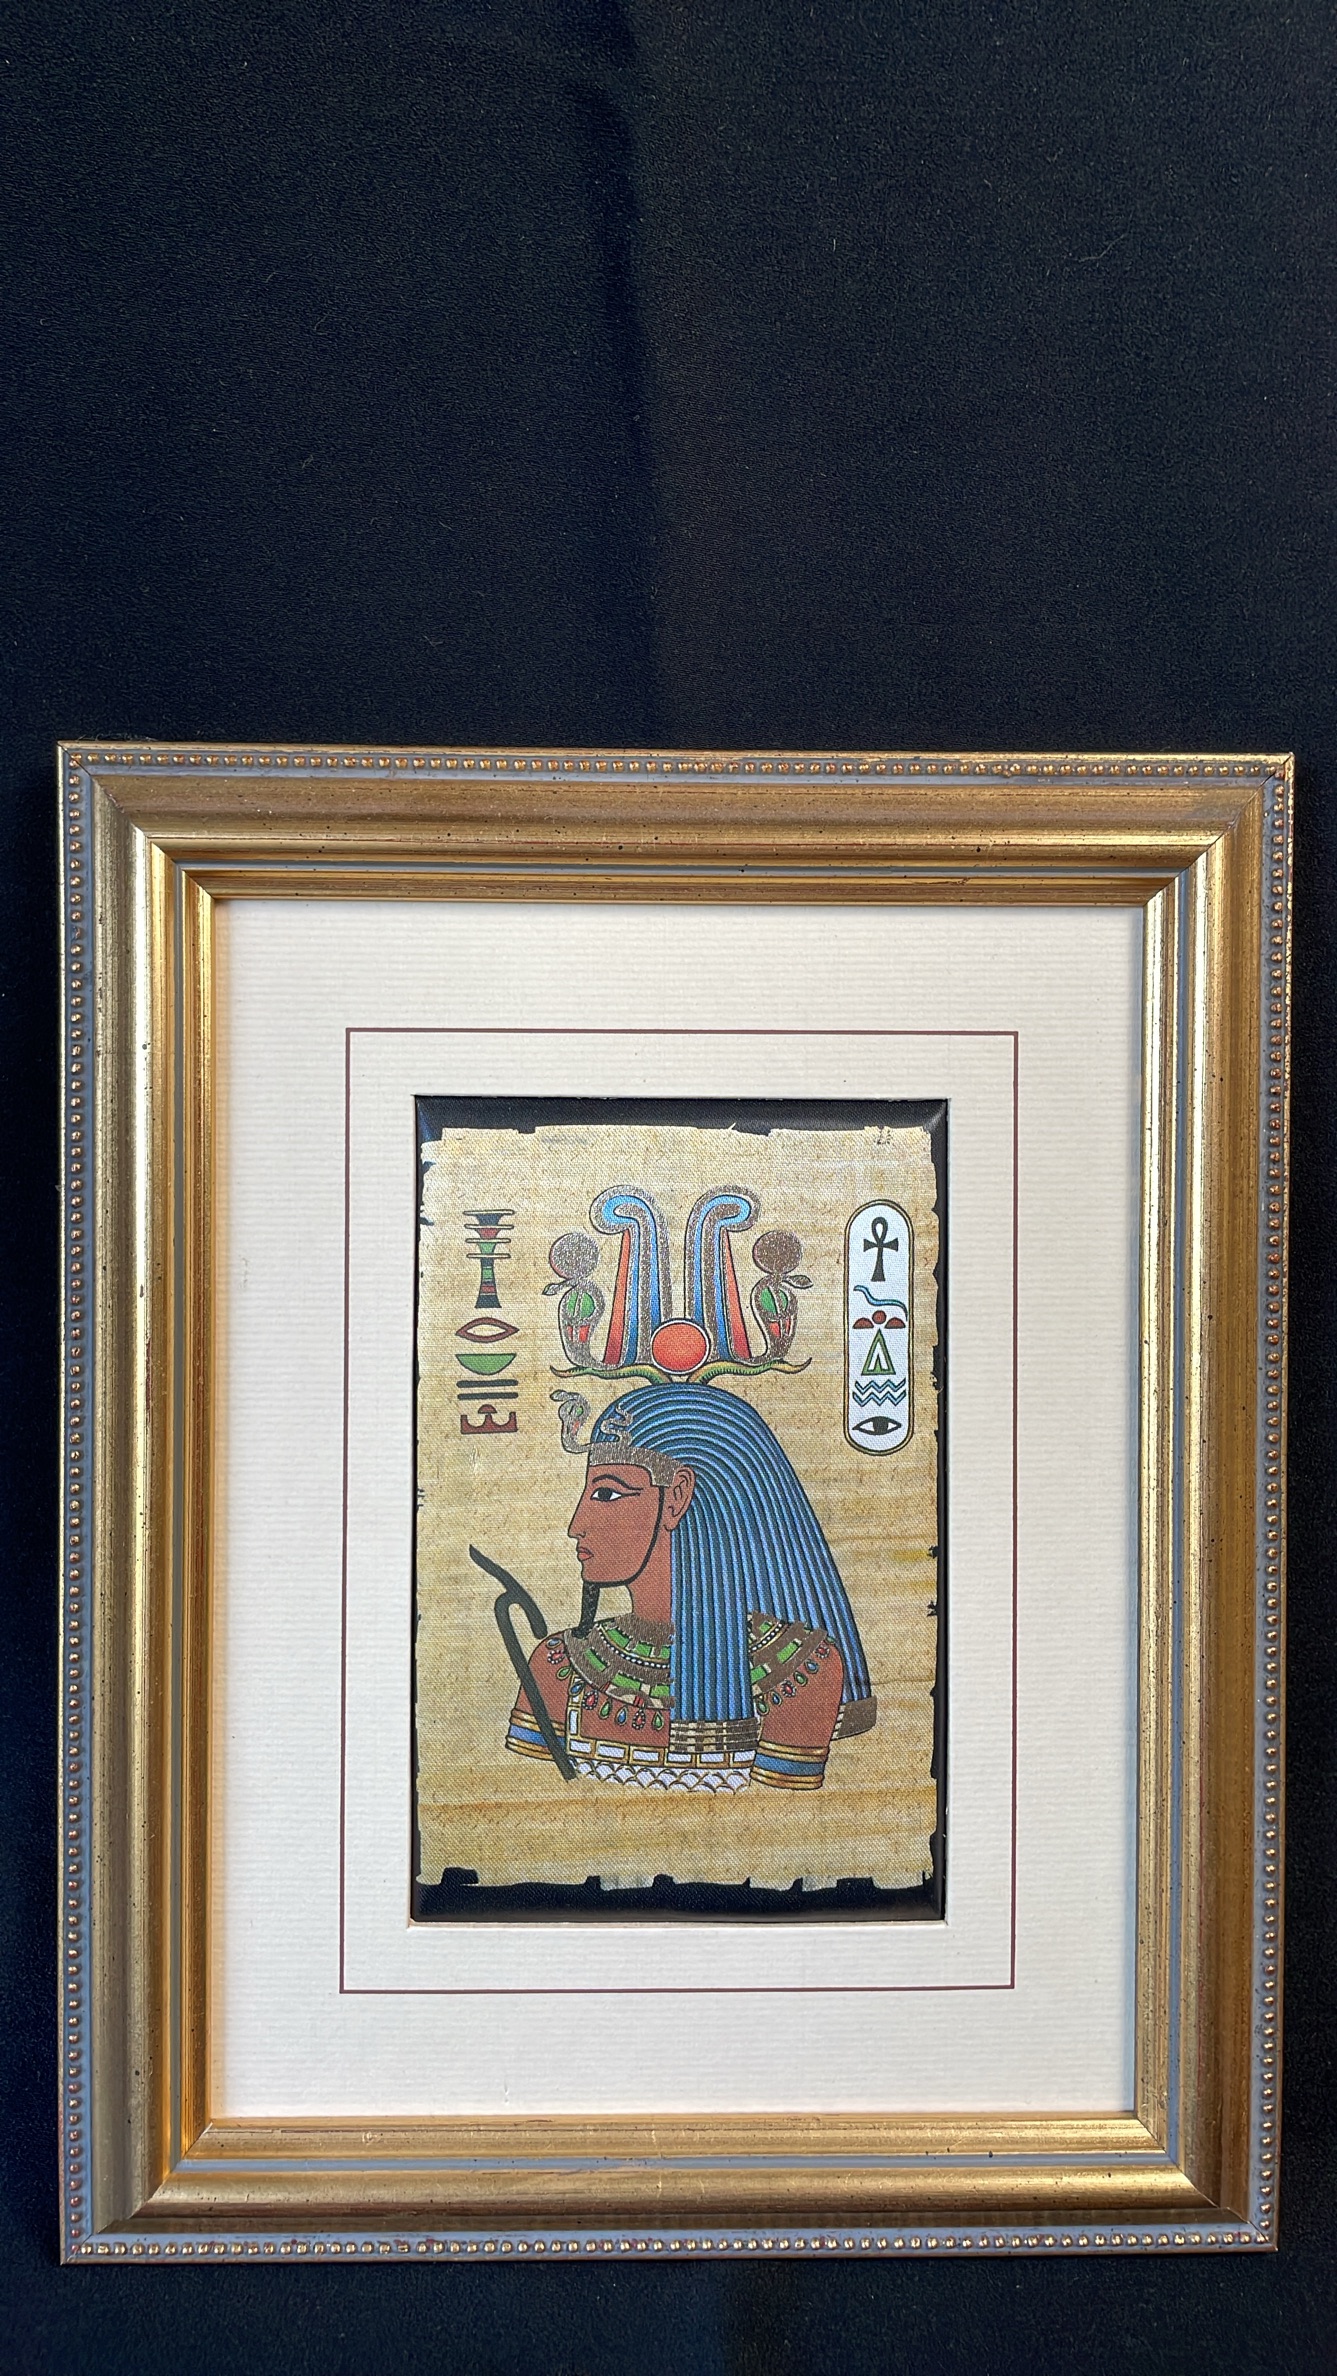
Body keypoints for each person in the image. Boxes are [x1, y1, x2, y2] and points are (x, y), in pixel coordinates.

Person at [506, 1383, 875, 1792]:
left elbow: (782, 1818)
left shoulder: (800, 1669)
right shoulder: (557, 1666)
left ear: (676, 1498)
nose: (576, 1525)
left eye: (606, 1494)